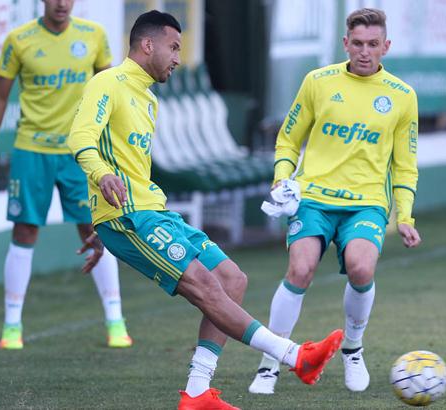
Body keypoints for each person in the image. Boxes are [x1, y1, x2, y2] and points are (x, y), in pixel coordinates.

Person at [68, 10, 344, 409]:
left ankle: (197, 391)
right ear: (147, 44)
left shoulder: (148, 97)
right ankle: (295, 356)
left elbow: (127, 164)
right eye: (173, 47)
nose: (178, 58)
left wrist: (103, 224)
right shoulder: (108, 82)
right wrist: (104, 188)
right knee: (205, 285)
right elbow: (81, 138)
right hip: (129, 217)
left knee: (232, 279)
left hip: (149, 212)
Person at [248, 7, 422, 395]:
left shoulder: (402, 96)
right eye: (357, 43)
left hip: (366, 202)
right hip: (314, 197)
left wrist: (405, 216)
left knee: (361, 268)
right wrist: (282, 180)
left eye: (373, 44)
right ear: (345, 43)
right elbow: (288, 139)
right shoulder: (318, 82)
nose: (364, 51)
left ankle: (353, 349)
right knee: (300, 269)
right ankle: (270, 362)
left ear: (386, 46)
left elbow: (405, 164)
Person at [0, 0, 132, 350]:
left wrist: (114, 147)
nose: (62, 3)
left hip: (80, 152)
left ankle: (116, 320)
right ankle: (12, 326)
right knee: (25, 229)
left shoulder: (93, 36)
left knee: (95, 228)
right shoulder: (19, 40)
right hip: (32, 149)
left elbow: (110, 92)